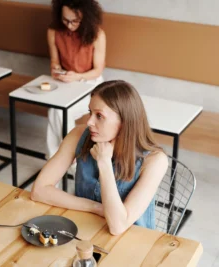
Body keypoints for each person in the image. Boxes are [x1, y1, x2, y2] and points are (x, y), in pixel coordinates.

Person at [31, 80, 168, 235]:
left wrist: (104, 162)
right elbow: (39, 190)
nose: (89, 122)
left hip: (132, 243)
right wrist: (95, 207)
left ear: (124, 121)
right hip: (85, 231)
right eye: (90, 112)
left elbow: (118, 227)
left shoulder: (156, 161)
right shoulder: (78, 135)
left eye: (99, 116)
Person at [47, 0, 106, 159]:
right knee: (56, 110)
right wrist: (56, 71)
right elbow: (54, 61)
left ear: (85, 17)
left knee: (60, 111)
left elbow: (97, 70)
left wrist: (78, 76)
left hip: (90, 84)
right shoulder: (54, 31)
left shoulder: (97, 35)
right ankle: (64, 159)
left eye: (75, 21)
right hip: (66, 82)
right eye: (65, 20)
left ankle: (64, 158)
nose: (69, 25)